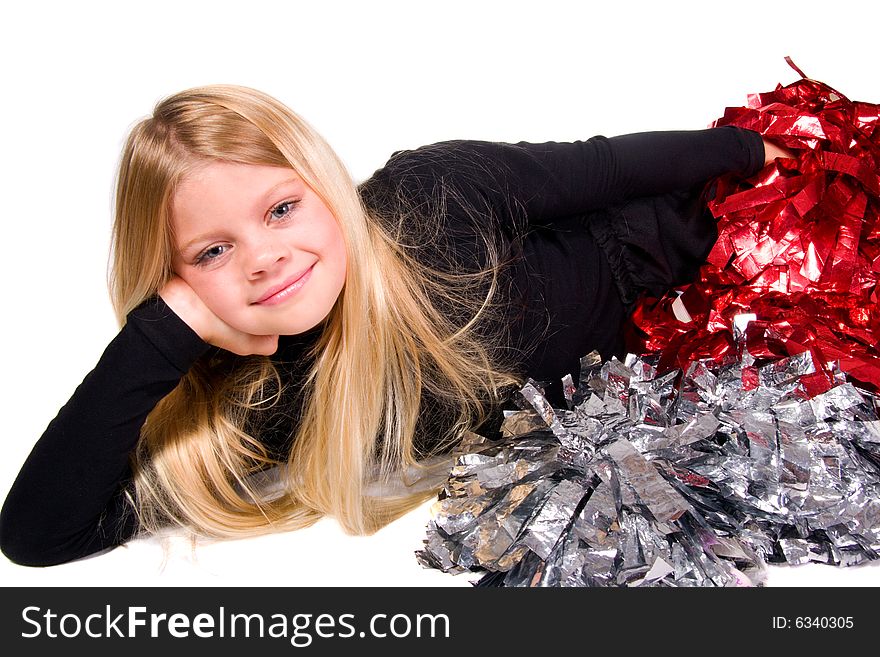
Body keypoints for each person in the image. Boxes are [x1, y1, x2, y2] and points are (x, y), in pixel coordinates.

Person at [0, 85, 787, 567]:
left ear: (324, 183)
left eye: (281, 209)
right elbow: (36, 534)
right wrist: (160, 334)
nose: (265, 258)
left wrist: (753, 150)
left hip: (686, 242)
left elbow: (607, 166)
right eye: (212, 250)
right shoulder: (269, 407)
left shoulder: (430, 194)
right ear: (175, 280)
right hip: (668, 367)